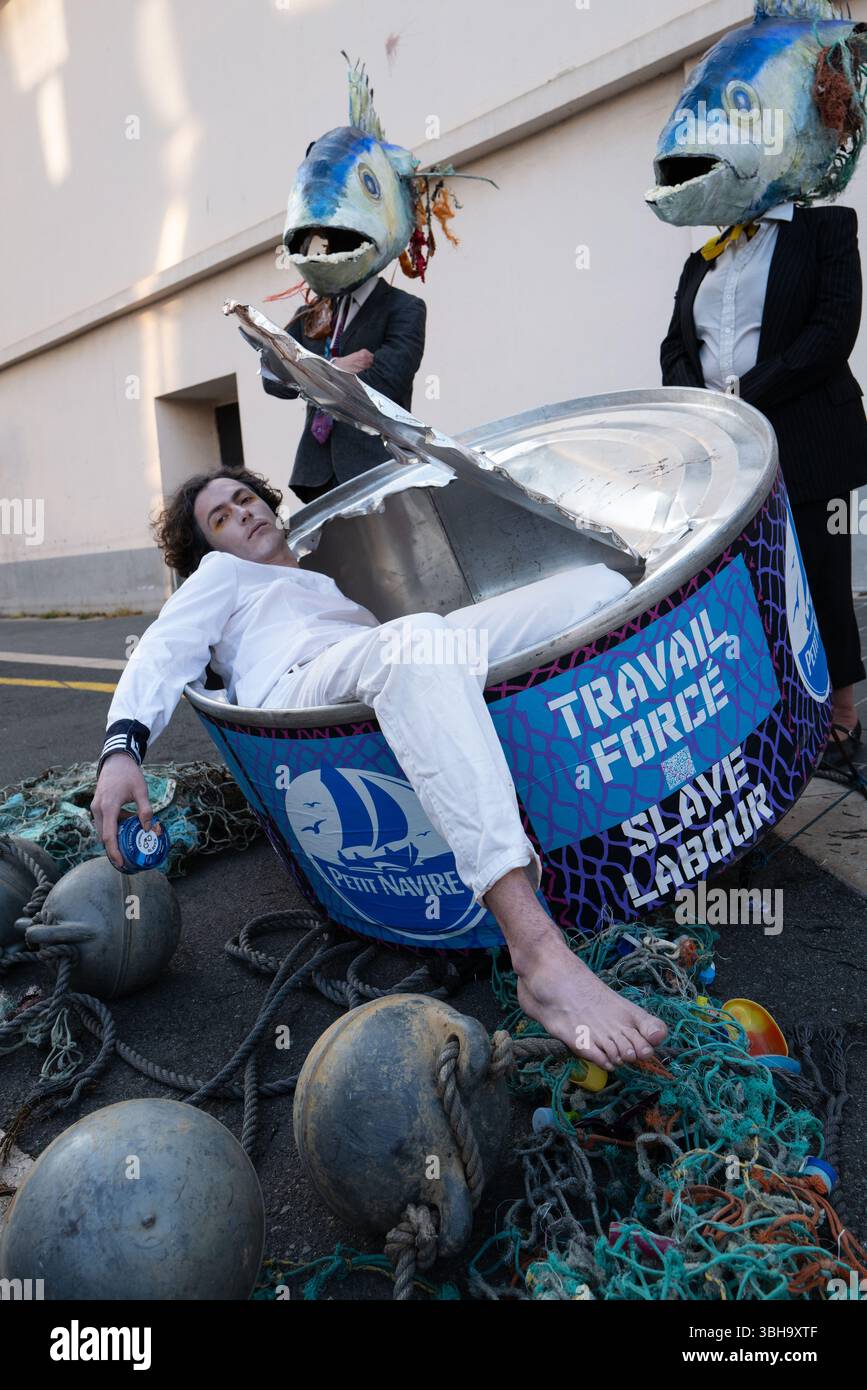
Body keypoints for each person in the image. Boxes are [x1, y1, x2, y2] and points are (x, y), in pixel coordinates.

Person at [91, 468, 668, 1070]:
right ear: (209, 548)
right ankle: (538, 951)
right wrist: (121, 747)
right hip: (299, 687)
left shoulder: (315, 579)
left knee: (590, 589)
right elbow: (163, 648)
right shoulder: (223, 575)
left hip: (385, 658)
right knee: (416, 642)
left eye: (246, 499)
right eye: (221, 519)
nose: (241, 513)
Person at [661, 204, 867, 767]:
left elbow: (832, 329)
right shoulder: (700, 260)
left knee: (821, 575)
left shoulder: (824, 228)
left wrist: (745, 398)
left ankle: (842, 716)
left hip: (810, 436)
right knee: (753, 582)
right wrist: (703, 408)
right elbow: (674, 347)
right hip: (728, 451)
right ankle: (777, 711)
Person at [259, 276, 426, 504]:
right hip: (316, 474)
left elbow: (387, 380)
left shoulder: (404, 306)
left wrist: (309, 375)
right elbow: (273, 378)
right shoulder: (308, 313)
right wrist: (333, 367)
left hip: (378, 467)